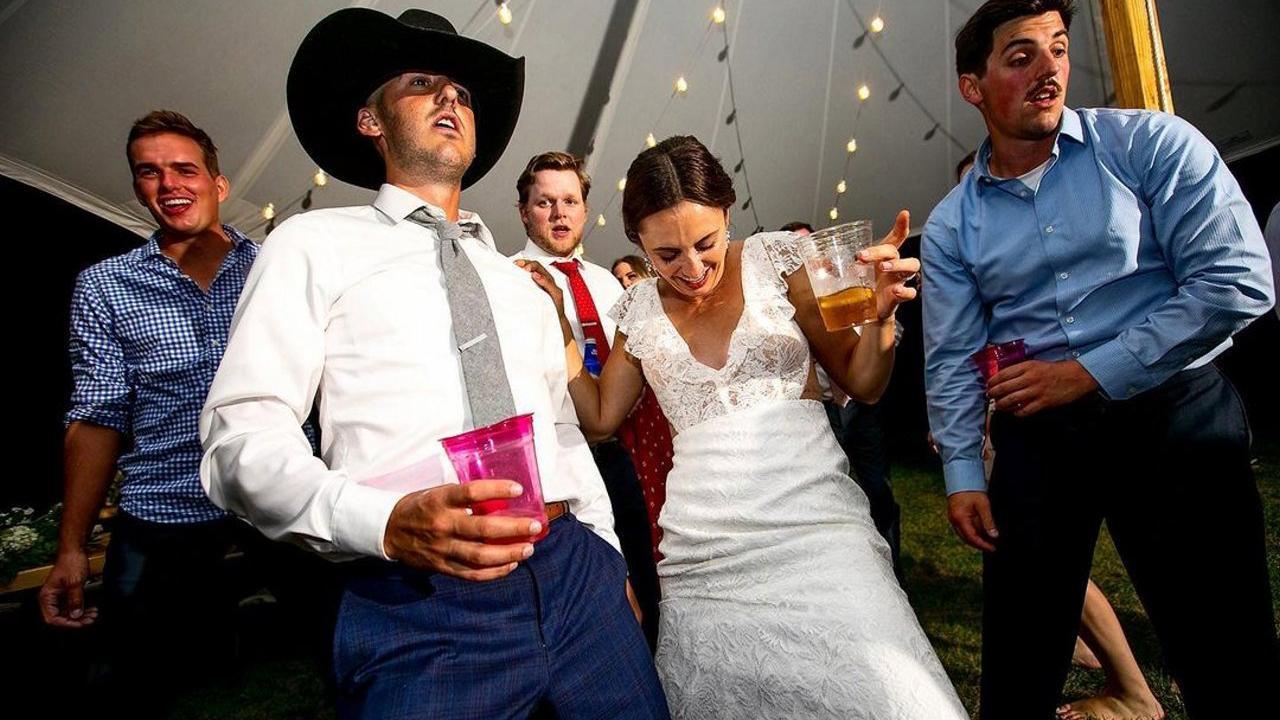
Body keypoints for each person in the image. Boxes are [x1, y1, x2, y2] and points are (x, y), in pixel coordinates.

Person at [200, 9, 666, 719]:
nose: (450, 96)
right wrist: (382, 522)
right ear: (371, 120)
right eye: (422, 83)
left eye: (463, 93)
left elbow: (563, 430)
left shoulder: (516, 280)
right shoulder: (313, 244)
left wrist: (606, 556)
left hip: (575, 575)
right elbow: (240, 438)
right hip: (417, 599)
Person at [524, 135, 967, 718]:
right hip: (704, 556)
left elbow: (864, 382)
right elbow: (603, 417)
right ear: (638, 242)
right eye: (666, 255)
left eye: (705, 243)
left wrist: (881, 317)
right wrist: (559, 323)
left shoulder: (777, 263)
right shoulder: (640, 309)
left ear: (727, 213)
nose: (691, 268)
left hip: (817, 531)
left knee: (891, 693)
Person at [923, 2, 1278, 718]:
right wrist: (963, 471)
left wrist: (1086, 373)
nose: (1049, 69)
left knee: (1228, 656)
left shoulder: (1149, 143)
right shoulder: (951, 224)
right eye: (1021, 56)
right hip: (1039, 436)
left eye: (1058, 48)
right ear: (972, 86)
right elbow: (953, 355)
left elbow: (1238, 280)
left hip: (1174, 411)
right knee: (1017, 670)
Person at [37, 110, 282, 714]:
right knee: (125, 685)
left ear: (218, 184)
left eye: (184, 169)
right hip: (167, 506)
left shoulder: (275, 269)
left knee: (351, 651)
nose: (168, 183)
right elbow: (97, 418)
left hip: (278, 494)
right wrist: (71, 548)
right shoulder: (105, 286)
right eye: (149, 172)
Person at [955, 144, 1164, 720]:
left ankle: (1131, 687)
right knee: (1037, 567)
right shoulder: (966, 247)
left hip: (1058, 415)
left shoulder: (1056, 249)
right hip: (1010, 418)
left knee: (1057, 565)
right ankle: (1090, 655)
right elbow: (965, 353)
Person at [510, 150, 671, 649]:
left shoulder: (606, 283)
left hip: (628, 450)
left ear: (584, 210)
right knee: (586, 590)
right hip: (561, 459)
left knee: (648, 571)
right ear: (524, 211)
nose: (559, 213)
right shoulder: (507, 280)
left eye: (570, 201)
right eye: (545, 203)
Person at [780, 219, 904, 577]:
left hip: (862, 409)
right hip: (824, 411)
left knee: (878, 489)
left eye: (813, 249)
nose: (811, 260)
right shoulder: (787, 304)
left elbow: (894, 336)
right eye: (798, 254)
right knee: (837, 492)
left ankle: (893, 569)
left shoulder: (850, 283)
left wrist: (873, 323)